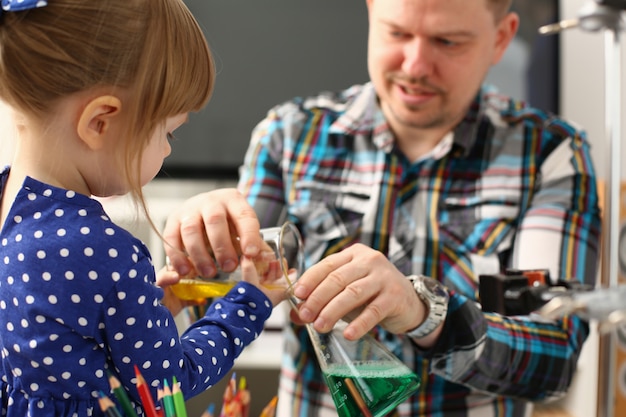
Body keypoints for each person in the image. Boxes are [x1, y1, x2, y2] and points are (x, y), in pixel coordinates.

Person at [161, 0, 602, 415]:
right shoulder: (289, 134)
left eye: (448, 42)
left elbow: (555, 357)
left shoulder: (549, 154)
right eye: (397, 32)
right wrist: (201, 240)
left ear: (501, 39)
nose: (414, 65)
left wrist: (422, 312)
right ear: (371, 12)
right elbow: (225, 289)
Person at [0, 1, 288, 416]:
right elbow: (168, 384)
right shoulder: (101, 248)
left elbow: (58, 340)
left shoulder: (10, 204)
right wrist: (248, 303)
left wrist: (147, 315)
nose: (168, 150)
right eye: (167, 132)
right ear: (100, 121)